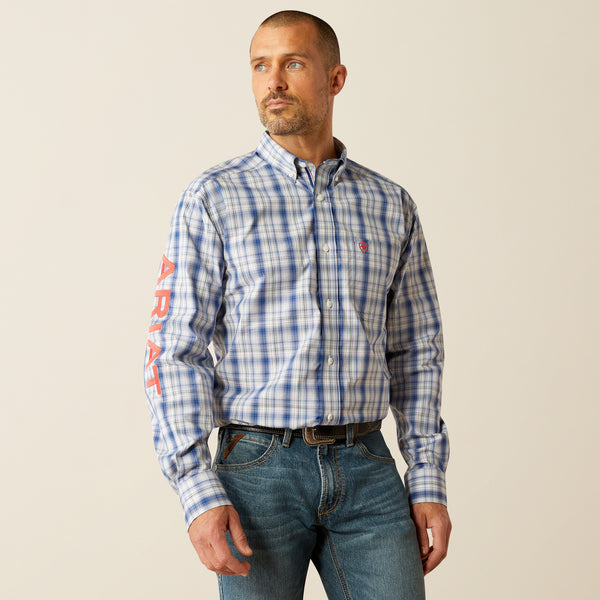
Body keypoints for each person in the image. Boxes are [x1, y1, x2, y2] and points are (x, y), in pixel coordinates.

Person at [144, 10, 451, 599]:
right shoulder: (214, 197)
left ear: (335, 79)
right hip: (256, 471)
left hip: (367, 466)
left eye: (293, 63)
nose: (274, 81)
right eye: (260, 66)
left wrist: (427, 478)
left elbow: (416, 351)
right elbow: (175, 351)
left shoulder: (390, 205)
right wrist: (196, 490)